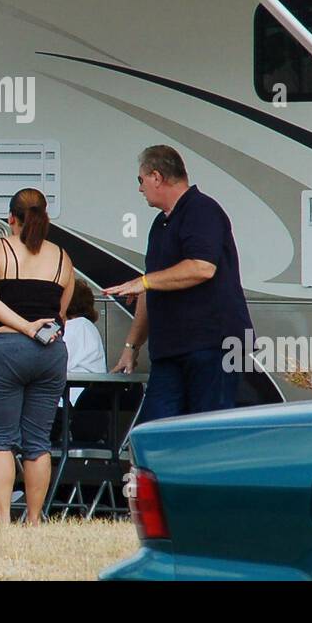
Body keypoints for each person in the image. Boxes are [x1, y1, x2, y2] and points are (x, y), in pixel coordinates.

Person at [104, 144, 254, 422]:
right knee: (156, 428)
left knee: (206, 431)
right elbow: (151, 287)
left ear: (157, 177)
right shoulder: (160, 224)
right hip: (171, 350)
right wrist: (131, 347)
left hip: (213, 344)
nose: (140, 189)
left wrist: (146, 281)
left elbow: (202, 267)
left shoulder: (203, 210)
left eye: (141, 180)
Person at [0, 188, 72, 525]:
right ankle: (33, 519)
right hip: (50, 354)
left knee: (0, 438)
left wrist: (25, 327)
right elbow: (60, 312)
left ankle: (2, 520)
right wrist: (37, 329)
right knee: (38, 441)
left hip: (2, 350)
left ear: (10, 218)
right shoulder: (62, 257)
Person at [63, 278, 106, 406]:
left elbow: (55, 362)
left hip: (72, 400)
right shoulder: (86, 326)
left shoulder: (75, 326)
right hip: (86, 399)